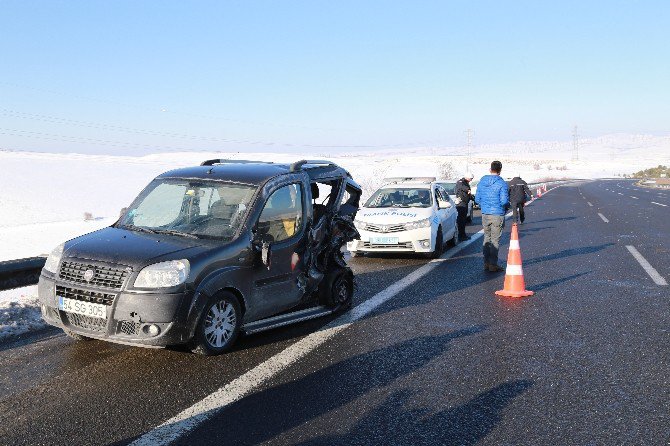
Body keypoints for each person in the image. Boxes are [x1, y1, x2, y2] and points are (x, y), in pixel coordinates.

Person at [475, 161, 509, 272]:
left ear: (490, 169)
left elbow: (477, 199)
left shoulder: (481, 182)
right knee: (495, 240)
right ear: (500, 170)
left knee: (486, 238)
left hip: (485, 214)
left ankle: (486, 263)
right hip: (497, 214)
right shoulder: (502, 183)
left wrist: (485, 206)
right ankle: (493, 264)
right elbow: (504, 201)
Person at [454, 172, 474, 241]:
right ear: (467, 177)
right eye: (471, 178)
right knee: (461, 221)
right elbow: (462, 187)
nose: (471, 180)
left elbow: (468, 194)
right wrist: (467, 190)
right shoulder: (461, 182)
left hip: (465, 203)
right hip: (461, 204)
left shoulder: (465, 182)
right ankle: (461, 235)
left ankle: (463, 234)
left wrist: (473, 198)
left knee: (463, 220)